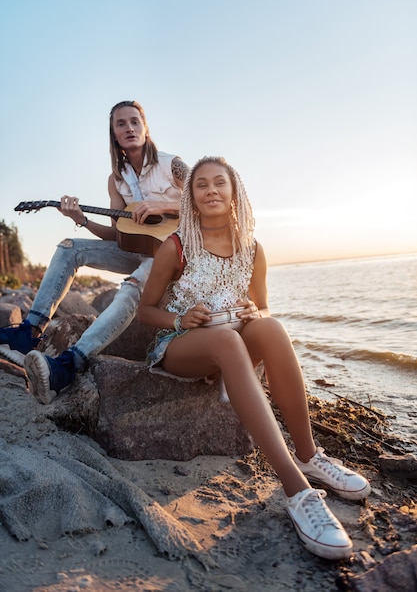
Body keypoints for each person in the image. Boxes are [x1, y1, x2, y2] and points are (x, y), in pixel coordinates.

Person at [137, 156, 371, 561]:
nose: (211, 190)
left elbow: (262, 307)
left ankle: (309, 455)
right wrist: (180, 316)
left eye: (219, 183)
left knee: (273, 327)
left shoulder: (252, 247)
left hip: (232, 336)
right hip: (180, 344)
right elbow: (145, 311)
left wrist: (252, 312)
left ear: (234, 192)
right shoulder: (176, 246)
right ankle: (298, 491)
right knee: (227, 341)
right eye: (201, 185)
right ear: (191, 197)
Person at [0, 100, 188, 404]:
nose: (129, 128)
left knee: (130, 288)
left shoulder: (173, 165)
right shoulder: (117, 180)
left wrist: (162, 205)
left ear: (145, 127)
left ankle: (69, 364)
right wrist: (81, 220)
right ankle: (30, 329)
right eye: (121, 124)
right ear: (113, 134)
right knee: (69, 248)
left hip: (176, 255)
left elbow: (208, 197)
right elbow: (119, 234)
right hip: (138, 251)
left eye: (134, 121)